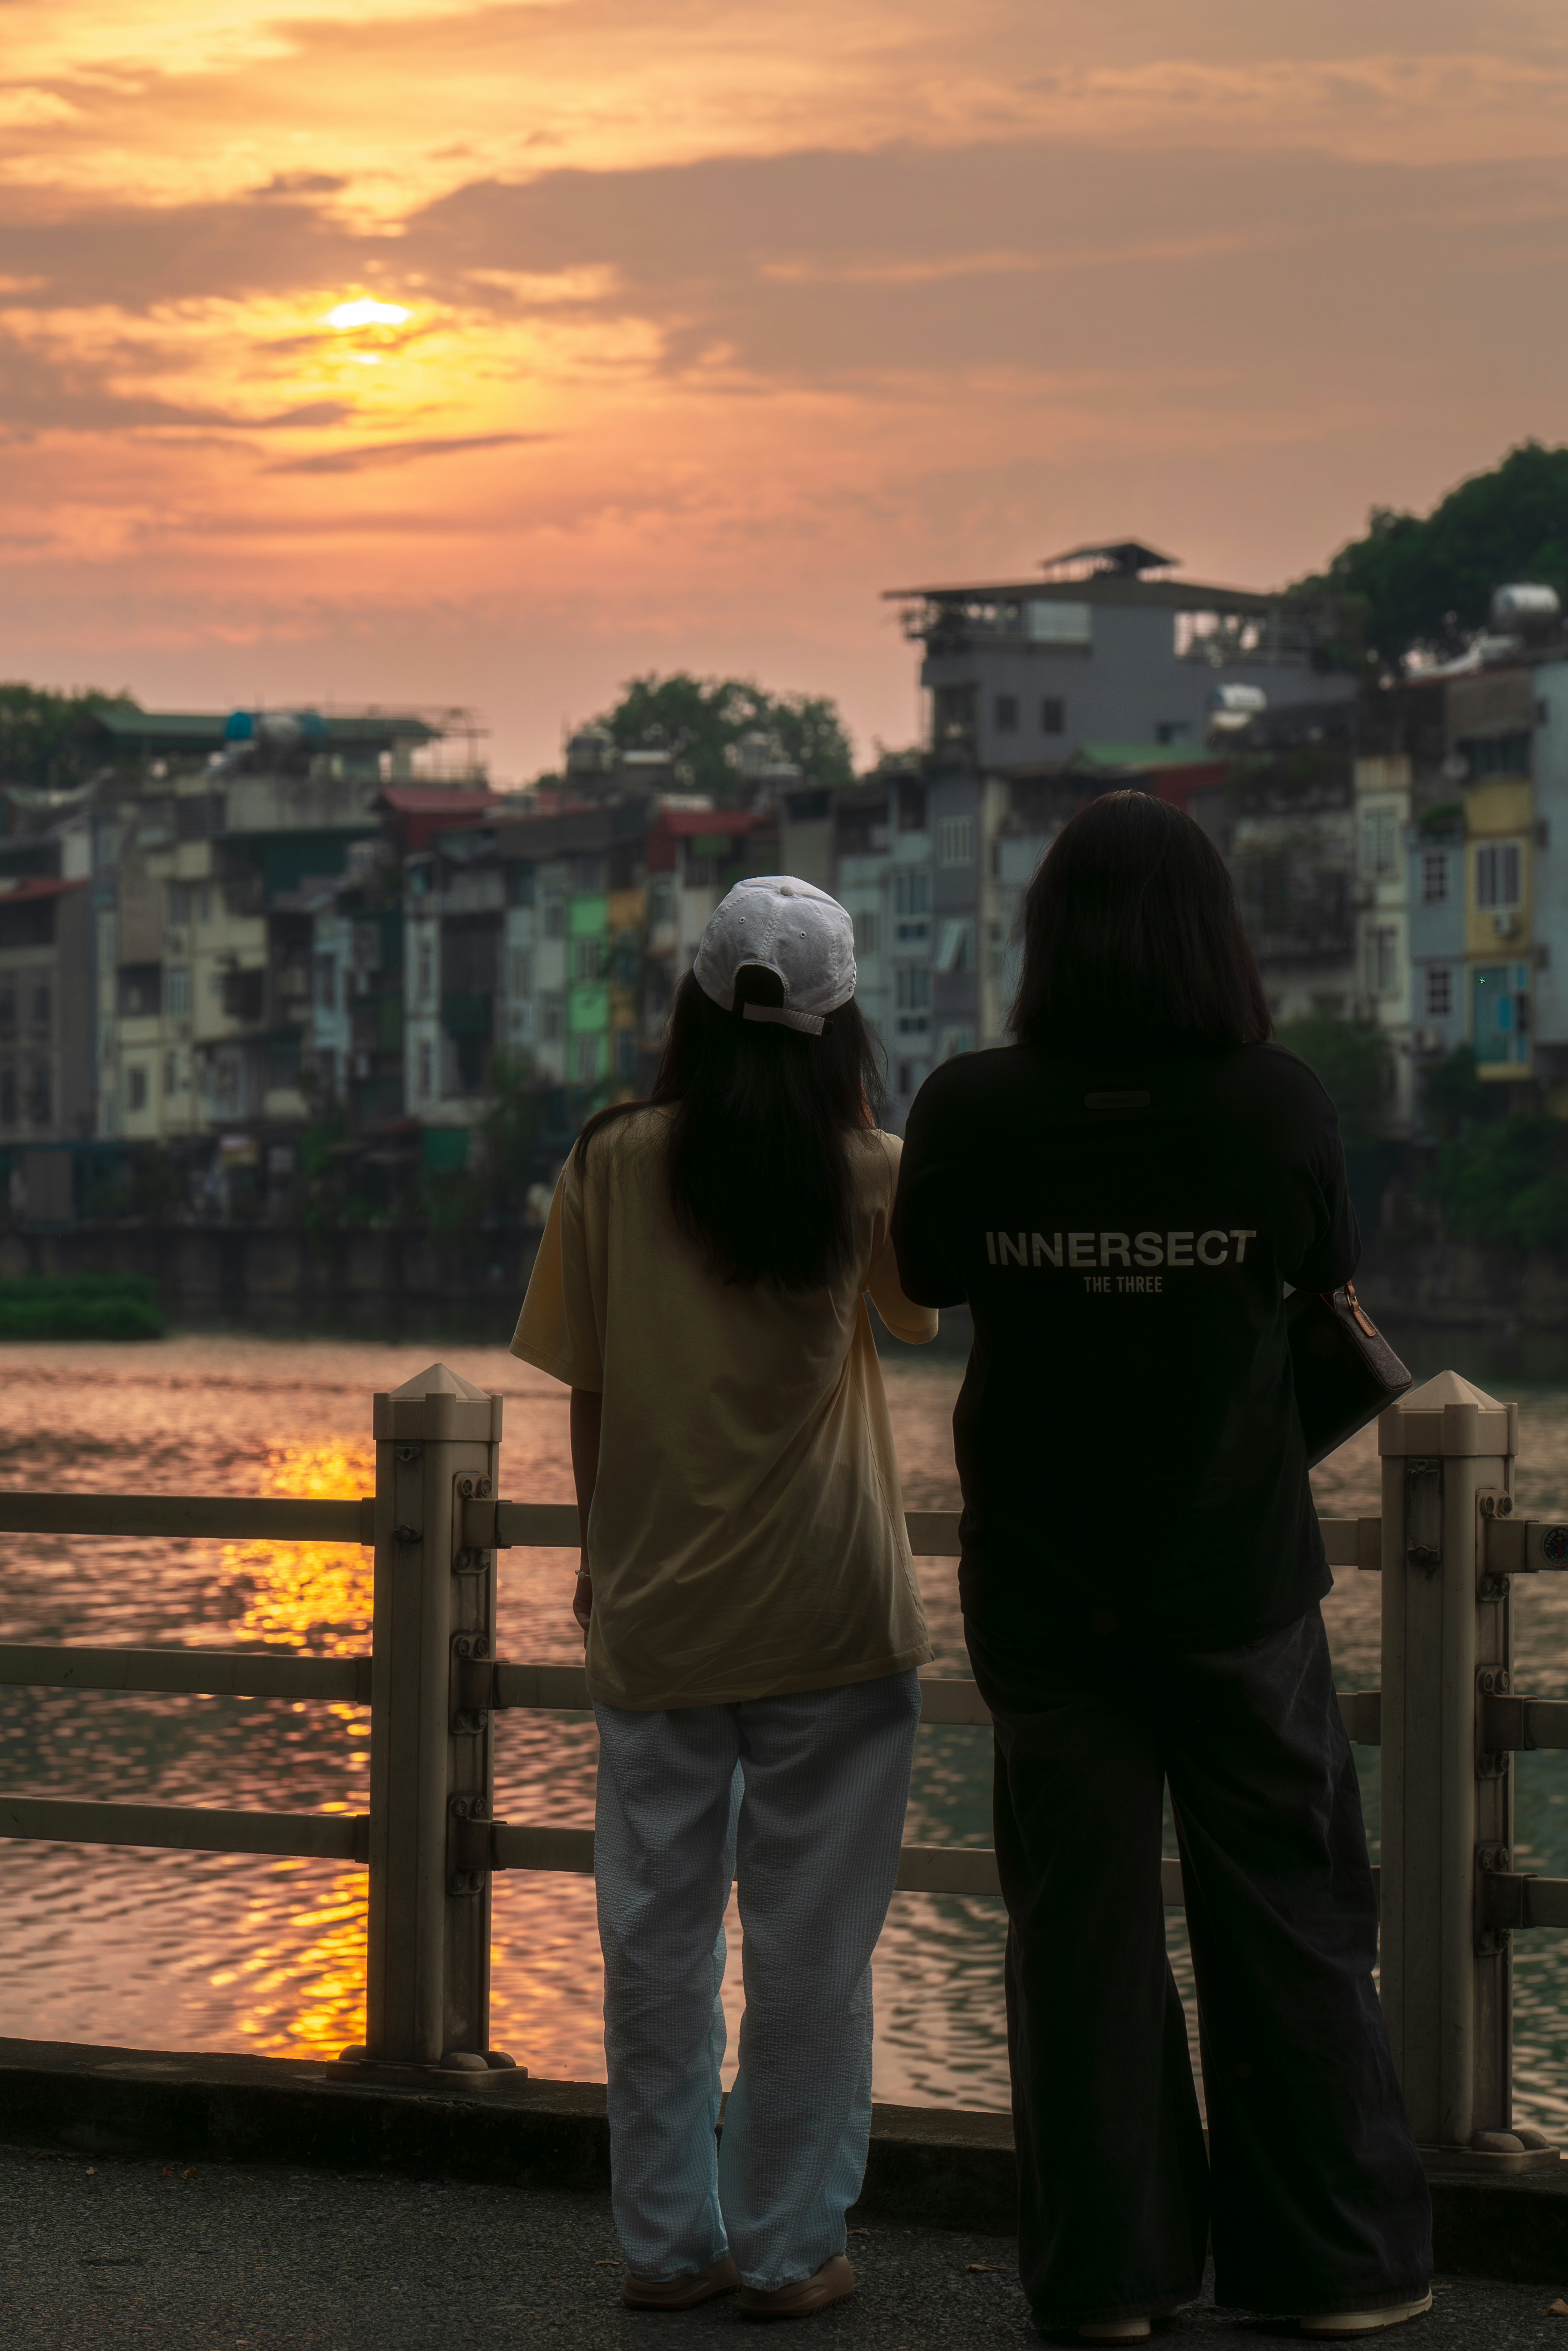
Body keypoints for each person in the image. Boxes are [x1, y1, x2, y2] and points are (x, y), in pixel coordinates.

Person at [890, 792, 1432, 2344]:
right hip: (1237, 1577)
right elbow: (1323, 1269)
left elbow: (921, 1275)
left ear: (1045, 939)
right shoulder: (1275, 1105)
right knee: (1288, 1907)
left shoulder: (972, 1107)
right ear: (1217, 937)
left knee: (1079, 1923)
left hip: (1047, 1585)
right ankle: (1331, 2263)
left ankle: (1106, 2280)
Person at [512, 874, 938, 2321]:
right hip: (834, 1609)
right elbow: (914, 1312)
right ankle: (789, 2247)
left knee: (656, 1940)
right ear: (840, 1020)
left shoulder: (610, 1163)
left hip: (660, 1613)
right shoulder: (869, 1166)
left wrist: (602, 1550)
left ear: (693, 1003)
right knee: (815, 1951)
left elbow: (592, 1392)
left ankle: (665, 2246)